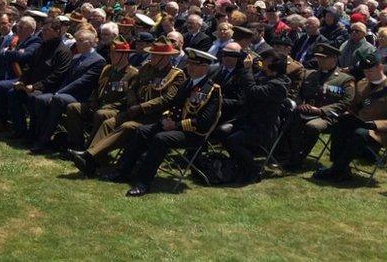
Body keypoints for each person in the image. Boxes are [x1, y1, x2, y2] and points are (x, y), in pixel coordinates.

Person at [101, 48, 222, 196]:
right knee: (141, 131)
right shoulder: (187, 83)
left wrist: (176, 125)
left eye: (194, 64)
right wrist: (166, 118)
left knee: (161, 139)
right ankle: (122, 172)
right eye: (189, 63)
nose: (189, 67)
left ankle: (143, 182)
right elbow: (171, 105)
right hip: (173, 126)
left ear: (204, 67)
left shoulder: (211, 90)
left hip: (193, 133)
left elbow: (204, 122)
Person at [70, 37, 185, 173]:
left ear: (165, 57)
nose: (152, 57)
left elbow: (166, 99)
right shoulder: (146, 68)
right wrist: (133, 104)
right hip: (133, 110)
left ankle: (89, 156)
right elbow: (132, 89)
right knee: (109, 123)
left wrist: (141, 108)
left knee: (126, 126)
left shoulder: (176, 75)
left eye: (155, 55)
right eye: (152, 54)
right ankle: (93, 160)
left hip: (153, 117)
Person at [314, 51, 387, 182]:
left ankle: (336, 169)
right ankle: (341, 169)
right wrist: (347, 113)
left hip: (378, 131)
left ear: (380, 67)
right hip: (357, 122)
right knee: (338, 124)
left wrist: (375, 124)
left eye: (370, 71)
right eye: (365, 71)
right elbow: (354, 107)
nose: (367, 74)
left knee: (359, 133)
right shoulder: (362, 84)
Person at [30, 28, 106, 153]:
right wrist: (57, 91)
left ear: (90, 42)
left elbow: (82, 81)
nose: (77, 44)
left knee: (58, 99)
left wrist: (59, 93)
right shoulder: (76, 58)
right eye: (77, 40)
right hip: (66, 92)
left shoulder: (98, 60)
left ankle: (43, 141)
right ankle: (38, 135)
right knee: (39, 99)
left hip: (81, 96)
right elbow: (66, 79)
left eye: (80, 41)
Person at [281, 43, 355, 170]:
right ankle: (287, 153)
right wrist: (300, 105)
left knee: (312, 126)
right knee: (288, 120)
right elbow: (297, 93)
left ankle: (298, 157)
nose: (319, 61)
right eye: (318, 57)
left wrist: (321, 110)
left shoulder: (345, 79)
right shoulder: (309, 74)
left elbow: (346, 102)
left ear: (334, 59)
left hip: (327, 116)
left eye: (323, 58)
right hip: (305, 111)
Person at [60, 36, 138, 153]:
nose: (111, 56)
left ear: (125, 55)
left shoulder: (132, 74)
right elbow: (97, 88)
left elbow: (128, 98)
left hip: (116, 110)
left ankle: (89, 151)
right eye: (111, 53)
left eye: (115, 53)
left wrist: (108, 106)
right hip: (98, 105)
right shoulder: (107, 69)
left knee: (101, 114)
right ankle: (77, 145)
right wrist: (93, 100)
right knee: (73, 107)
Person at [222, 48, 289, 184]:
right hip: (247, 122)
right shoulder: (264, 77)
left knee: (233, 141)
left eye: (267, 61)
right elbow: (247, 82)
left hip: (262, 128)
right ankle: (238, 165)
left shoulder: (278, 85)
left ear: (274, 65)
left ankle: (253, 169)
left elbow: (252, 91)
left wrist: (248, 69)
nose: (263, 63)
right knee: (221, 132)